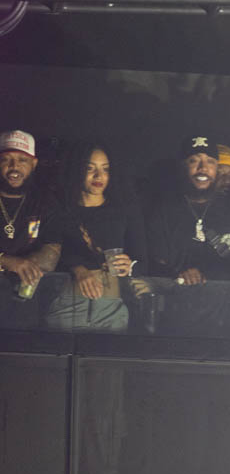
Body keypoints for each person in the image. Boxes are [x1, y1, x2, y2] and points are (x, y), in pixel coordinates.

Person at [147, 133, 230, 335]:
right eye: (194, 161)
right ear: (183, 166)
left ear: (217, 168)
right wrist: (180, 275)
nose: (203, 168)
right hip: (178, 322)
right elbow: (155, 264)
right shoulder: (163, 211)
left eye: (210, 161)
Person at [45, 140, 147, 333]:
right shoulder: (61, 210)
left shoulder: (124, 211)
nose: (99, 176)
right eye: (90, 168)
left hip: (111, 308)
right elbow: (49, 256)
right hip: (68, 305)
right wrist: (77, 269)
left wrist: (130, 265)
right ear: (77, 170)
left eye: (105, 169)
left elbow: (143, 262)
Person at [0, 130, 63, 326]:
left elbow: (51, 255)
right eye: (6, 160)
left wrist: (24, 265)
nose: (14, 167)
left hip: (23, 305)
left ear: (34, 163)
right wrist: (8, 262)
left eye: (22, 160)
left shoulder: (44, 202)